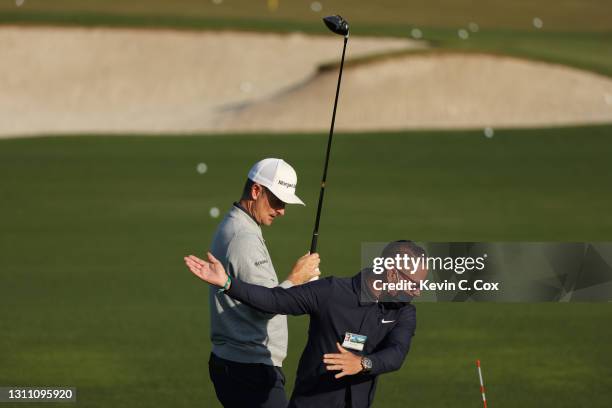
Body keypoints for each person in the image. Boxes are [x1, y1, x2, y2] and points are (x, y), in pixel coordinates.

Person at [185, 241, 428, 408]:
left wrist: (362, 363)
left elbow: (396, 354)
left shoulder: (404, 313)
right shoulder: (331, 293)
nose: (419, 291)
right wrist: (228, 282)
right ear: (392, 273)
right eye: (415, 283)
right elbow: (274, 301)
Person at [204, 158, 321, 408]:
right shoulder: (244, 237)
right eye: (278, 201)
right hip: (248, 369)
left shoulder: (238, 224)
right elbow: (266, 305)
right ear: (256, 190)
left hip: (237, 365)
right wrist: (296, 279)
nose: (281, 210)